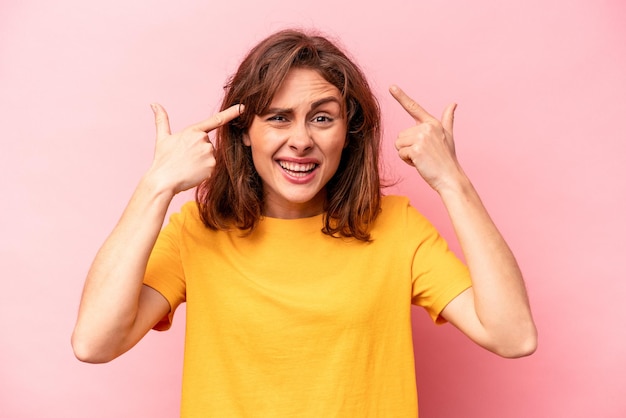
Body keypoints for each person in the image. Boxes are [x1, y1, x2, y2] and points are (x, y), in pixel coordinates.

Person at [72, 29, 537, 417]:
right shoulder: (197, 230)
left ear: (348, 132)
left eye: (321, 118)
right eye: (278, 118)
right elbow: (94, 343)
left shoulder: (399, 229)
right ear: (245, 132)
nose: (301, 140)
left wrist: (454, 183)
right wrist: (156, 187)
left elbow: (513, 335)